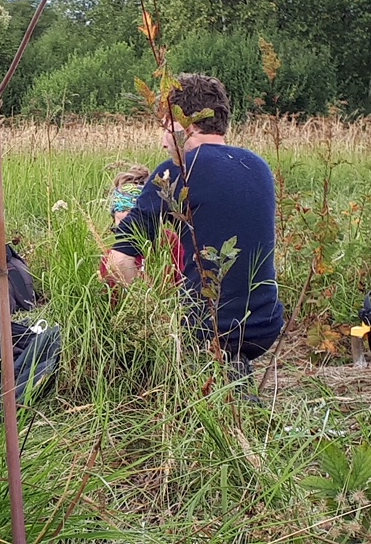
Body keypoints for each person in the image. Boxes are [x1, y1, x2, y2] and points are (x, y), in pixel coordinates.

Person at [98, 73, 284, 367]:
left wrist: (155, 318)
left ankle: (207, 366)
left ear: (181, 123)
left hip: (203, 330)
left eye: (163, 126)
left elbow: (119, 263)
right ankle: (232, 367)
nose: (162, 141)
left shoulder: (177, 171)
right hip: (266, 326)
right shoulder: (258, 165)